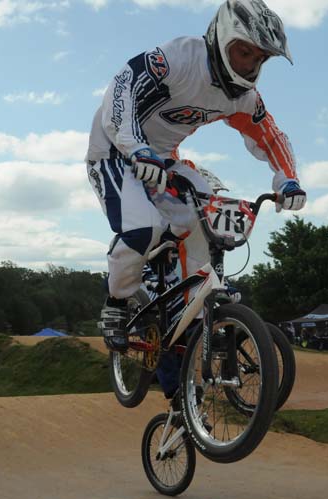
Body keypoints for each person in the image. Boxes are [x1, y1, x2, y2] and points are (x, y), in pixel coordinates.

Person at [86, 0, 306, 351]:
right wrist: (136, 147)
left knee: (207, 221)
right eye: (243, 52)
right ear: (222, 38)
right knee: (143, 228)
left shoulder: (242, 98)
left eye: (259, 58)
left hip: (163, 160)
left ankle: (191, 310)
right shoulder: (180, 59)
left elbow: (270, 136)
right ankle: (116, 302)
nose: (249, 65)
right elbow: (122, 88)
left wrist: (288, 179)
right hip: (114, 150)